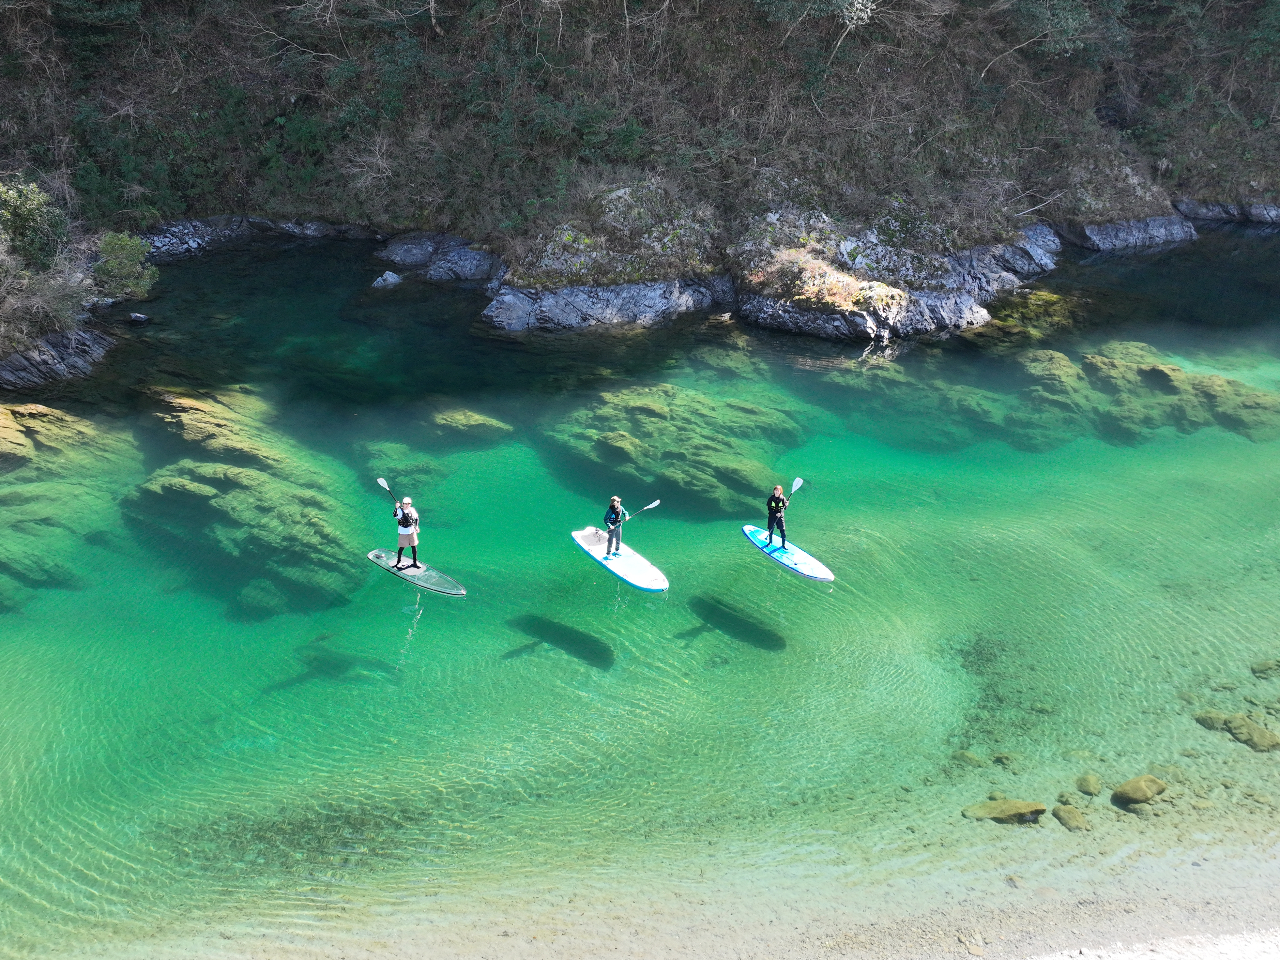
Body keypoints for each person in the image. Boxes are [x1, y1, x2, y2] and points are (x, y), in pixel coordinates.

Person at [393, 496, 420, 570]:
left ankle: (415, 562)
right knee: (402, 547)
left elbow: (416, 518)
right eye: (405, 504)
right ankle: (398, 562)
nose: (407, 505)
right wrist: (396, 508)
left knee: (414, 546)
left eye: (409, 504)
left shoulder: (412, 510)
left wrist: (416, 526)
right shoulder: (399, 510)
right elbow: (395, 515)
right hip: (403, 532)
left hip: (412, 530)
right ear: (403, 504)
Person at [766, 484, 788, 549]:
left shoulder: (783, 498)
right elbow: (769, 509)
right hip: (772, 516)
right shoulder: (771, 499)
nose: (776, 492)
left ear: (780, 491)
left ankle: (783, 544)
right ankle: (770, 542)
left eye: (778, 491)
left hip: (780, 517)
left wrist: (786, 505)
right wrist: (775, 513)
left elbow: (784, 508)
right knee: (771, 529)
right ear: (774, 491)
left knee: (783, 530)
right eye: (775, 490)